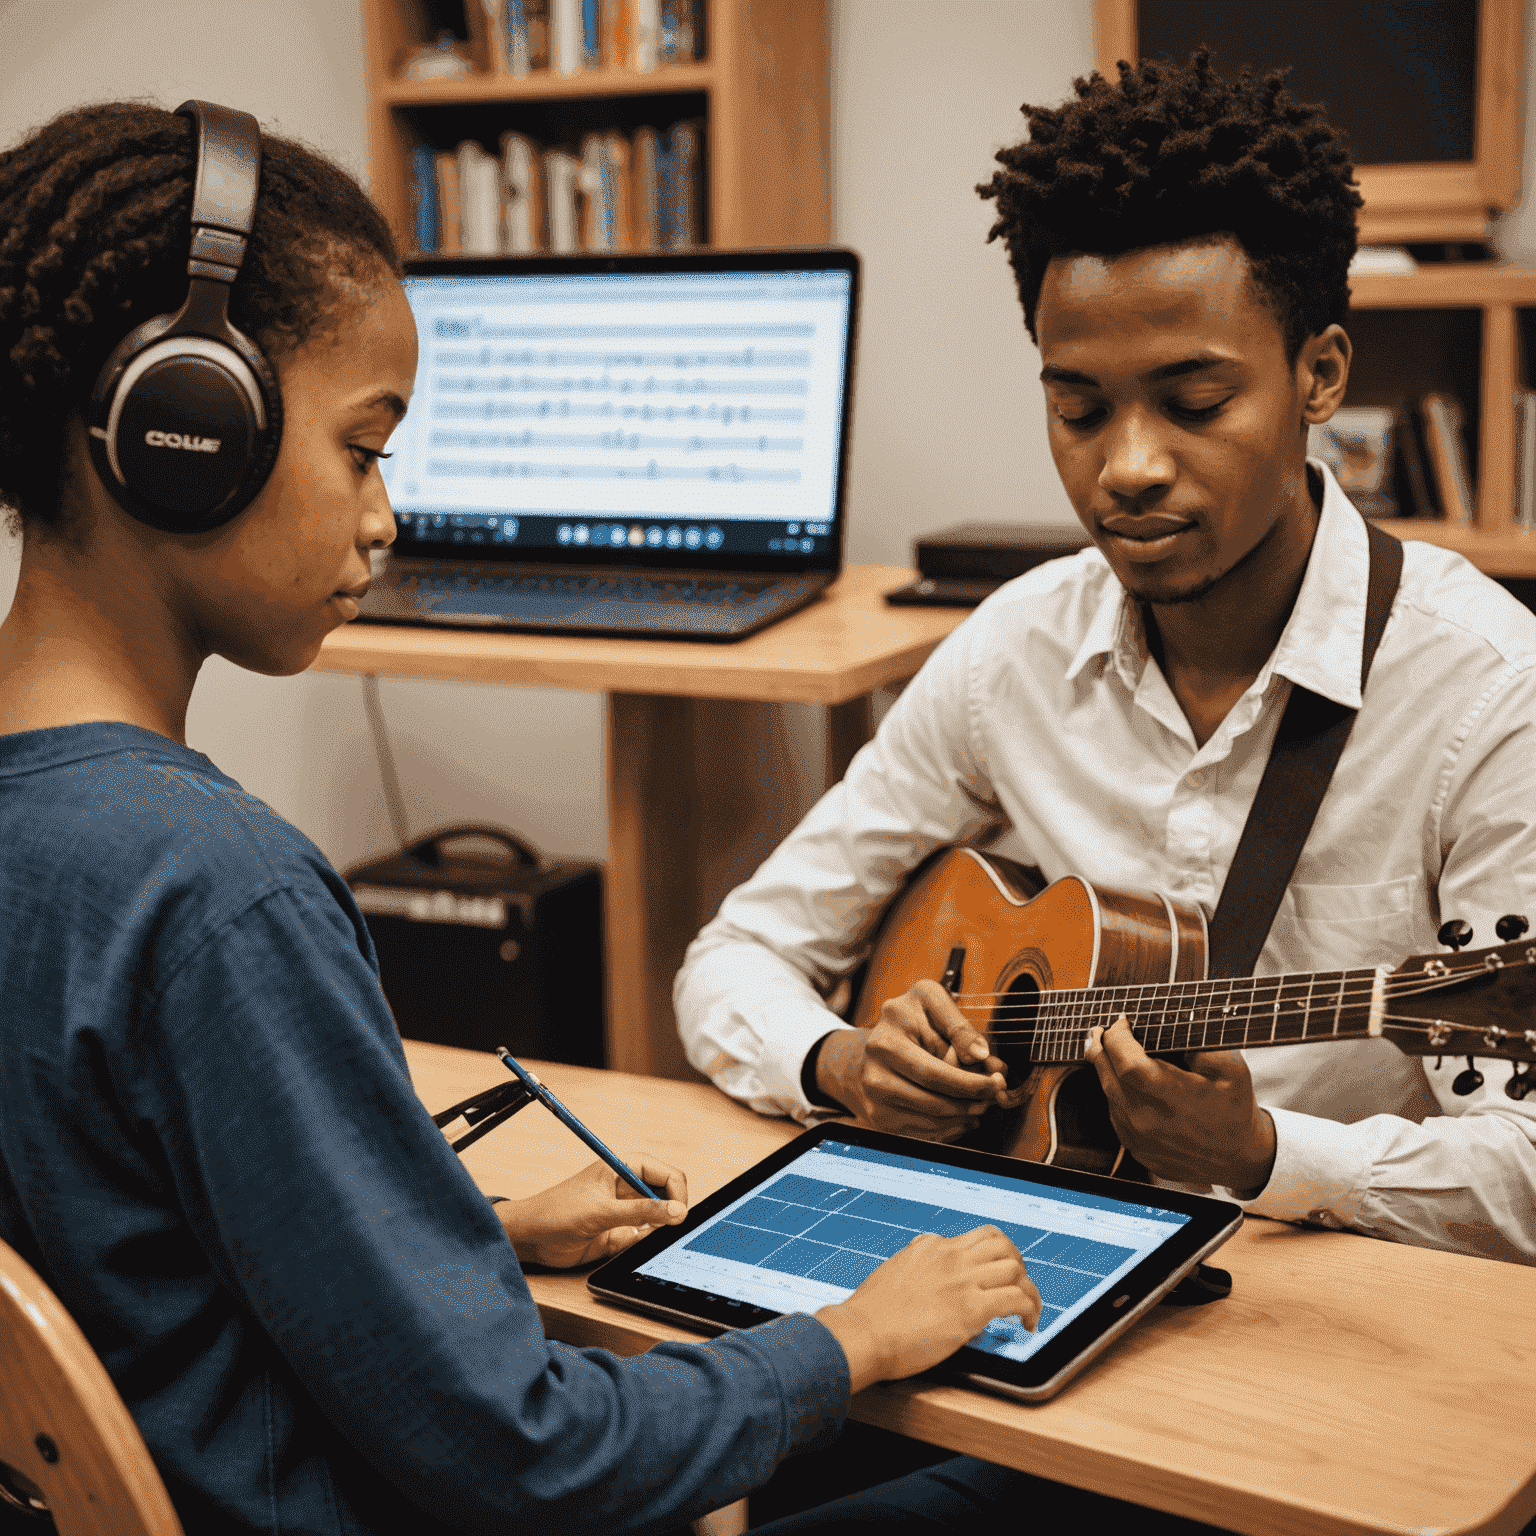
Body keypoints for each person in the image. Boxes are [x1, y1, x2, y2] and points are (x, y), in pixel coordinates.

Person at [0, 101, 1045, 1536]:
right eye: (364, 448)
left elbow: (130, 1251)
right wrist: (854, 1338)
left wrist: (449, 1244)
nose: (385, 517)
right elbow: (534, 1460)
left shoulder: (61, 848)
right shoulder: (213, 892)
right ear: (191, 428)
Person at [676, 49, 1536, 1267]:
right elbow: (741, 952)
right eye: (1078, 408)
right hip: (1023, 1259)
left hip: (1330, 1313)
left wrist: (1266, 1156)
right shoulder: (1011, 653)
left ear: (1320, 375)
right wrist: (846, 1062)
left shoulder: (1490, 696)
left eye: (1192, 403)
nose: (1125, 465)